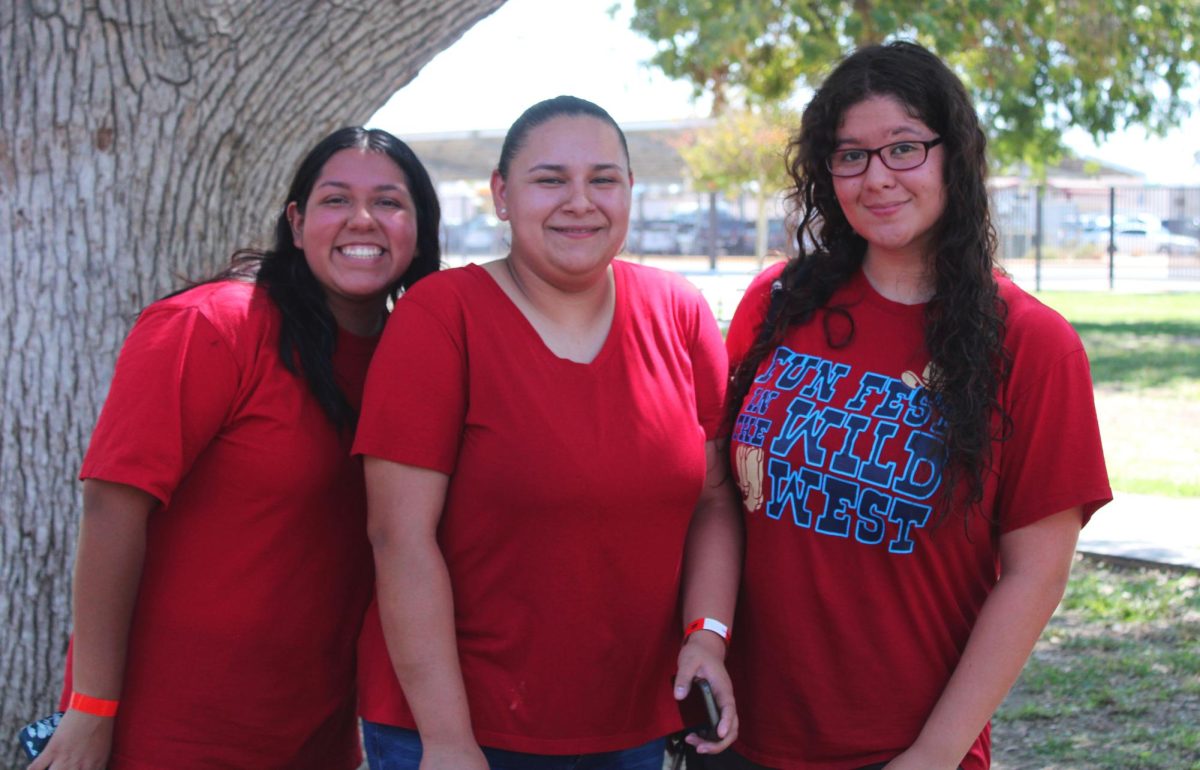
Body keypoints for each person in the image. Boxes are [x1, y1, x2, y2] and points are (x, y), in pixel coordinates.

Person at [711, 42, 1112, 770]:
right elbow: (723, 503)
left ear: (952, 155)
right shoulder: (776, 304)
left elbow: (1036, 576)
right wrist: (704, 638)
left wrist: (932, 754)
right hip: (742, 738)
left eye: (903, 148)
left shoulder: (1033, 345)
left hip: (908, 749)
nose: (877, 178)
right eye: (850, 155)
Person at [30, 127, 441, 770]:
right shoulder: (213, 325)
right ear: (297, 222)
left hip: (319, 736)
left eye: (390, 202)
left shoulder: (415, 358)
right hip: (167, 733)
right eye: (336, 200)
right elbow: (111, 509)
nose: (363, 219)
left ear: (420, 229)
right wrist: (92, 709)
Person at [353, 95, 743, 770]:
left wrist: (706, 636)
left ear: (629, 191)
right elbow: (399, 538)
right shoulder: (442, 317)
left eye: (603, 179)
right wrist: (447, 739)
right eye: (550, 179)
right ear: (501, 195)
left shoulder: (679, 312)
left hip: (632, 725)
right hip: (459, 730)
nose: (580, 202)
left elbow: (714, 502)